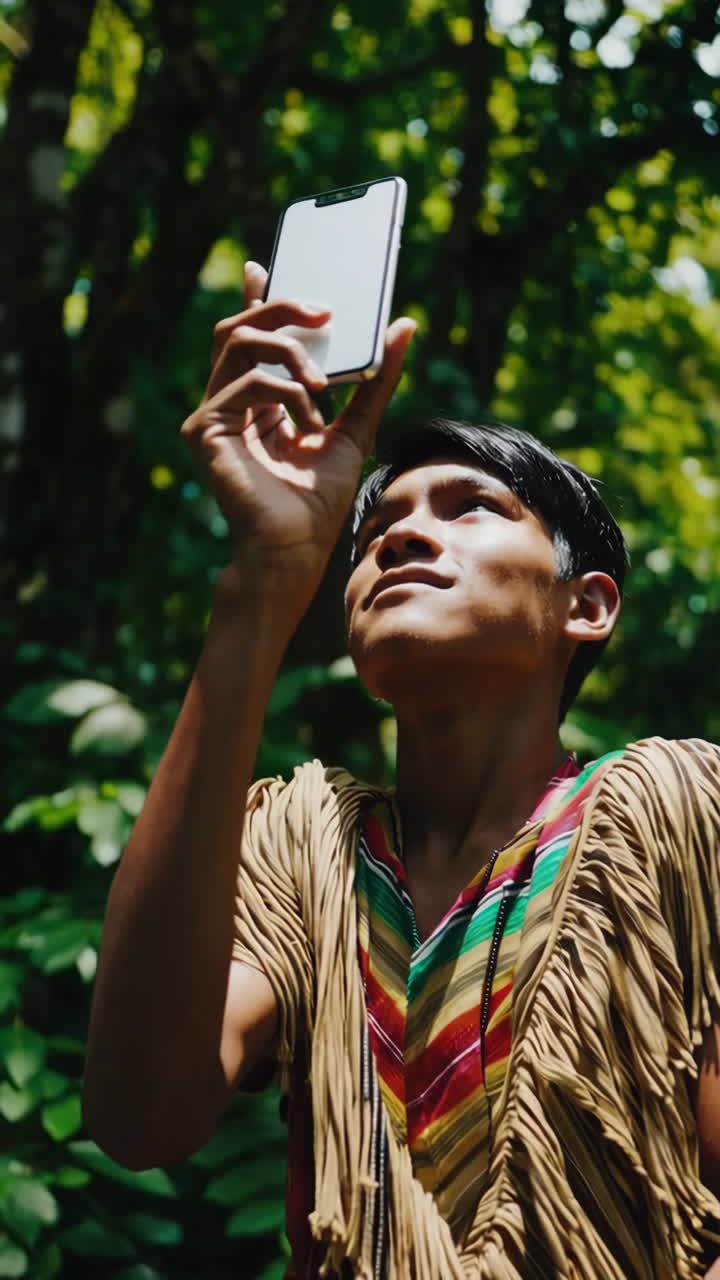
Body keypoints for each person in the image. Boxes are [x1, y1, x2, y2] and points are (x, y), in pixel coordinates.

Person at [83, 261, 720, 1279]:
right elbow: (139, 1112)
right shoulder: (307, 849)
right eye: (374, 531)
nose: (404, 534)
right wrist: (260, 583)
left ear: (587, 603)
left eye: (471, 507)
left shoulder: (674, 815)